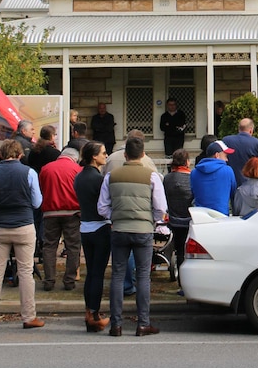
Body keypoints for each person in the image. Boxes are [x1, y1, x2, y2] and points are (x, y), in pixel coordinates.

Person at [98, 135, 168, 337]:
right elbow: (160, 207)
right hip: (143, 230)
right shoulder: (151, 176)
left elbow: (102, 207)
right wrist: (151, 220)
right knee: (143, 276)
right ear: (143, 154)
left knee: (118, 276)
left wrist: (115, 217)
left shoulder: (111, 176)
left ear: (125, 154)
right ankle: (143, 323)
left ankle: (116, 324)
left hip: (119, 229)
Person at [0, 139, 45, 331]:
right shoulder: (29, 172)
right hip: (24, 226)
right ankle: (28, 316)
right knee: (25, 272)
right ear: (20, 154)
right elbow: (37, 202)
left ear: (1, 154)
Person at [73, 141, 111, 332]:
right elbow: (105, 204)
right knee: (98, 273)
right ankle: (95, 314)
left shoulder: (79, 177)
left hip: (85, 227)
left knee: (90, 273)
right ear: (94, 156)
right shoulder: (99, 179)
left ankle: (88, 312)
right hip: (100, 227)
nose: (106, 155)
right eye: (103, 153)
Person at [38, 149, 82, 291]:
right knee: (73, 246)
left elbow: (41, 189)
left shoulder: (46, 168)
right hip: (72, 212)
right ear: (74, 158)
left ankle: (49, 280)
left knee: (49, 246)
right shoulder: (77, 169)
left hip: (50, 212)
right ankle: (69, 280)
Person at [163, 148, 192, 275]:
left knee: (179, 249)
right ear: (187, 162)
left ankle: (179, 274)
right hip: (188, 219)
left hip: (173, 220)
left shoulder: (167, 178)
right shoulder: (192, 178)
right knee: (185, 250)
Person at [190, 140, 237, 215]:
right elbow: (233, 194)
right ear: (217, 155)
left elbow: (193, 193)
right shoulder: (228, 170)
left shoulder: (194, 172)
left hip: (200, 216)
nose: (227, 159)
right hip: (221, 215)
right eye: (225, 156)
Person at [222, 118, 258, 186]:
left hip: (229, 181)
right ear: (251, 130)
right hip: (249, 184)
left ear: (239, 129)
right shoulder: (257, 143)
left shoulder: (226, 140)